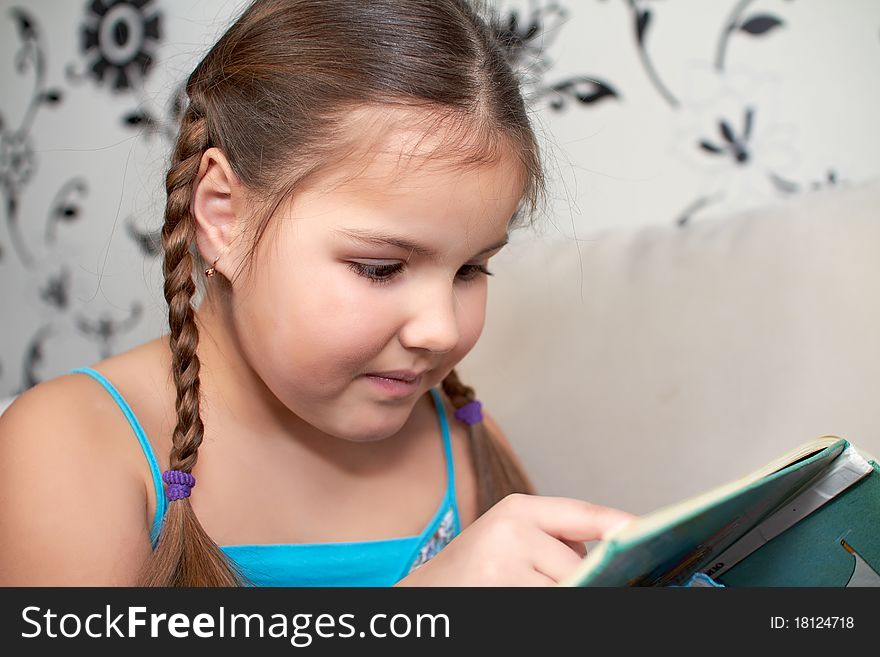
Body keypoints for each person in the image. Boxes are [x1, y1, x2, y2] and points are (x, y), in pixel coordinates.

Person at [0, 0, 634, 586]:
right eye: (380, 267)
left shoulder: (458, 437)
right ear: (224, 215)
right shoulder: (69, 446)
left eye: (471, 270)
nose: (441, 330)